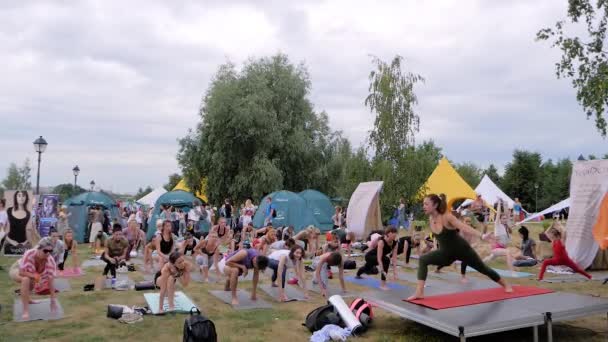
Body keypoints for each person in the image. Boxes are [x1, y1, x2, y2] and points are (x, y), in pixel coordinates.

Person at [407, 194, 512, 301]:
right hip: (446, 253)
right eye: (423, 204)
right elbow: (440, 238)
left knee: (483, 269)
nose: (423, 206)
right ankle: (419, 293)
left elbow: (464, 227)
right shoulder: (430, 219)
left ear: (435, 205)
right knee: (423, 260)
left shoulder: (447, 217)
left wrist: (482, 235)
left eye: (426, 204)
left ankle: (505, 284)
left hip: (463, 250)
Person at [9, 238, 57, 320]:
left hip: (30, 273)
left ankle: (28, 299)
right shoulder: (29, 253)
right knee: (26, 280)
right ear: (39, 248)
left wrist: (53, 301)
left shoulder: (50, 261)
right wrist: (34, 275)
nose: (48, 253)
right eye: (45, 251)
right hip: (16, 269)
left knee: (30, 285)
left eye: (50, 251)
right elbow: (21, 272)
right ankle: (25, 310)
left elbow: (51, 283)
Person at [482, 200, 515, 273]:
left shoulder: (506, 227)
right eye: (503, 218)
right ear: (499, 219)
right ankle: (512, 272)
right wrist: (499, 204)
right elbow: (498, 214)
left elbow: (507, 214)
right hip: (496, 249)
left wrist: (505, 204)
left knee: (489, 259)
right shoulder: (498, 225)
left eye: (505, 218)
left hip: (501, 249)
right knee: (508, 252)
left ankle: (478, 264)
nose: (505, 219)